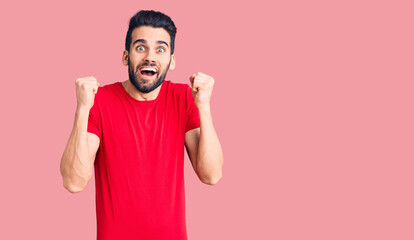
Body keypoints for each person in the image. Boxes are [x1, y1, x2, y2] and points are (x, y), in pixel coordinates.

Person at [60, 10, 223, 240]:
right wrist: (82, 109)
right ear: (126, 57)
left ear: (171, 60)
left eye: (160, 49)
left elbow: (212, 175)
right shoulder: (100, 101)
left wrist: (204, 106)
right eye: (140, 47)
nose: (150, 57)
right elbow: (73, 182)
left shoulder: (183, 98)